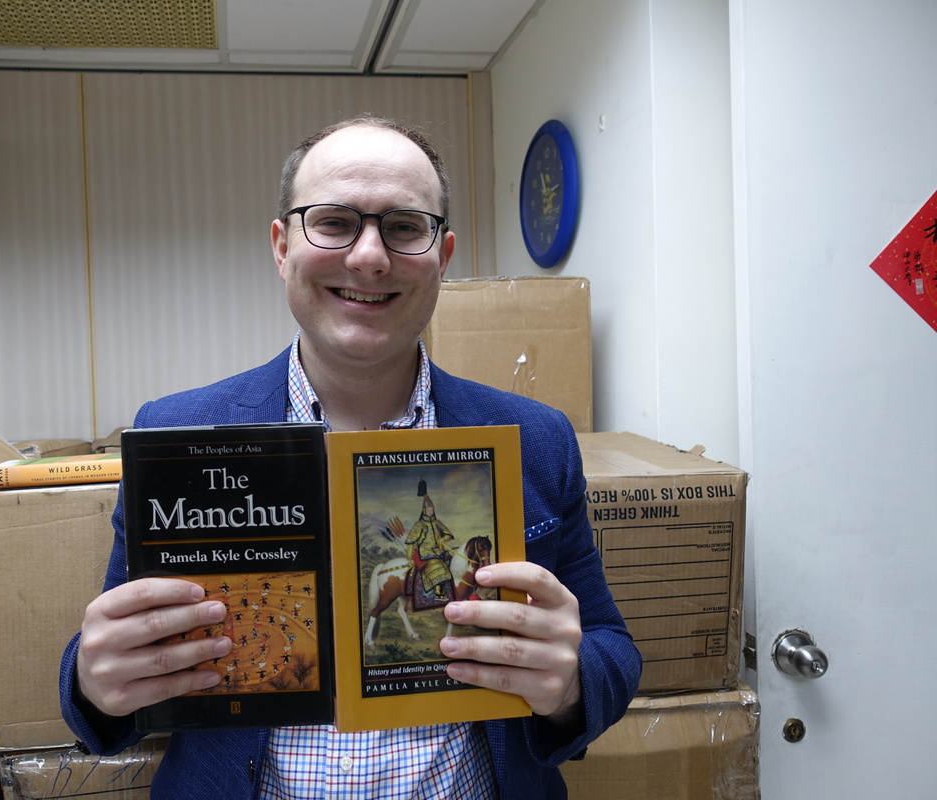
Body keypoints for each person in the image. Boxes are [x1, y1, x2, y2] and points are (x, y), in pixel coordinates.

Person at [59, 114, 641, 799]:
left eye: (403, 226)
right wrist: (93, 682)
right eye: (333, 222)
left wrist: (569, 680)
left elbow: (610, 644)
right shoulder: (175, 431)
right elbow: (117, 667)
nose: (370, 257)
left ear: (443, 255)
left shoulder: (536, 438)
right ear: (282, 246)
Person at [405, 484, 456, 601]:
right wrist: (409, 558)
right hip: (426, 554)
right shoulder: (419, 525)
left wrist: (443, 539)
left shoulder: (438, 522)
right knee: (439, 570)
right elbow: (410, 542)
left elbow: (448, 534)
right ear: (424, 510)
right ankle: (438, 594)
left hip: (439, 552)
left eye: (432, 510)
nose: (430, 512)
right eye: (428, 510)